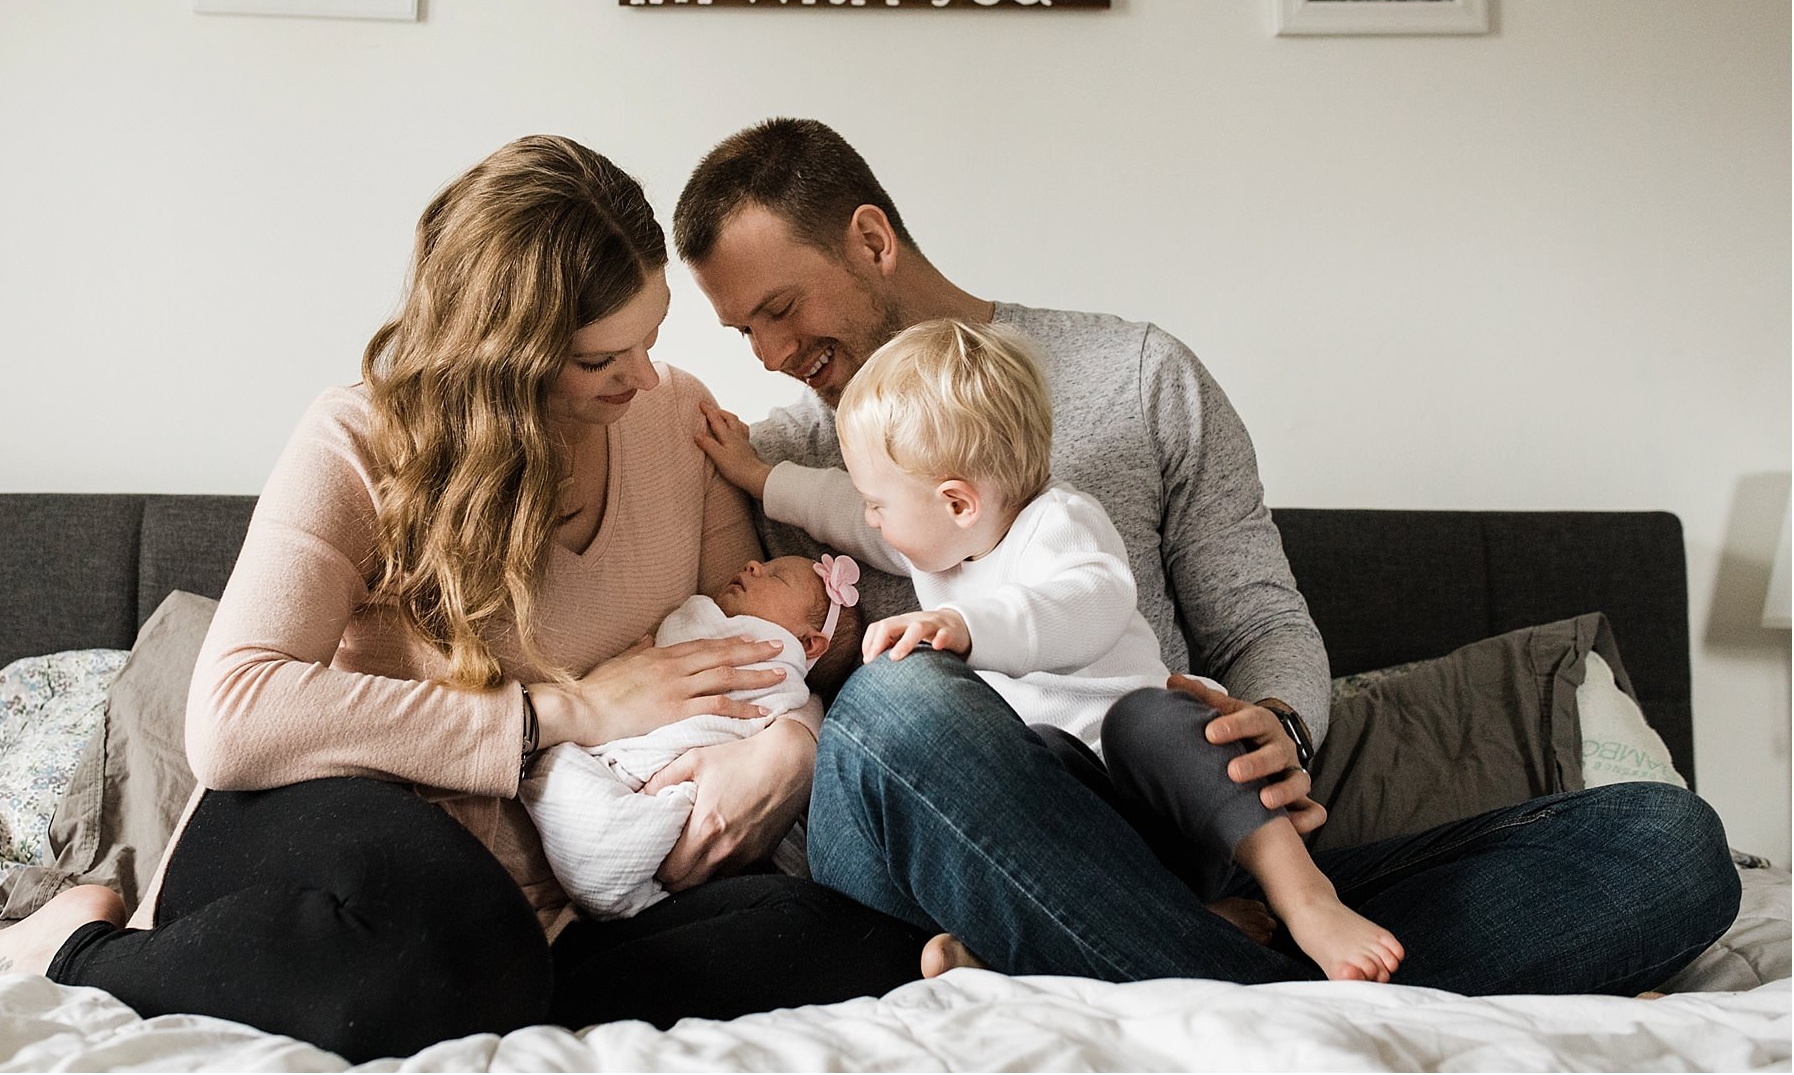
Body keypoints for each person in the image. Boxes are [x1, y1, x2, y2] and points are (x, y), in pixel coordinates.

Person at [673, 116, 1741, 995]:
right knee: (899, 700)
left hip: (1160, 829)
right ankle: (1248, 996)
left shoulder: (1136, 376)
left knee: (1667, 845)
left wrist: (1276, 724)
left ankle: (1145, 964)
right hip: (932, 849)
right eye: (743, 335)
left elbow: (1257, 619)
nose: (772, 355)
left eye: (779, 308)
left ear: (869, 238)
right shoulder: (793, 453)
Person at [0, 136, 924, 1061]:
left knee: (841, 935)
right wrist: (558, 712)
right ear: (503, 354)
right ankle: (76, 948)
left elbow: (742, 640)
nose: (643, 374)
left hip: (565, 888)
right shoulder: (360, 440)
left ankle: (513, 983)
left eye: (651, 333)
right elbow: (232, 715)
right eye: (597, 358)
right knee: (450, 947)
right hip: (338, 835)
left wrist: (789, 745)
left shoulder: (675, 421)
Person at [700, 317, 1403, 984]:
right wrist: (759, 476)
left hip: (1166, 802)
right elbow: (838, 508)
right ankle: (1137, 934)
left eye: (879, 502)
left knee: (1155, 718)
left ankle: (1303, 894)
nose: (870, 517)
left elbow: (1087, 607)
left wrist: (970, 627)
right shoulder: (935, 533)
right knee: (1036, 747)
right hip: (1072, 832)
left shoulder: (1059, 522)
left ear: (957, 502)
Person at [521, 552, 860, 920]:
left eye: (775, 577)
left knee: (563, 780)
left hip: (697, 796)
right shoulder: (709, 616)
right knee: (555, 771)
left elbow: (790, 700)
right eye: (764, 565)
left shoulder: (777, 664)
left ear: (808, 646)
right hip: (634, 769)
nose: (751, 565)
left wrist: (795, 743)